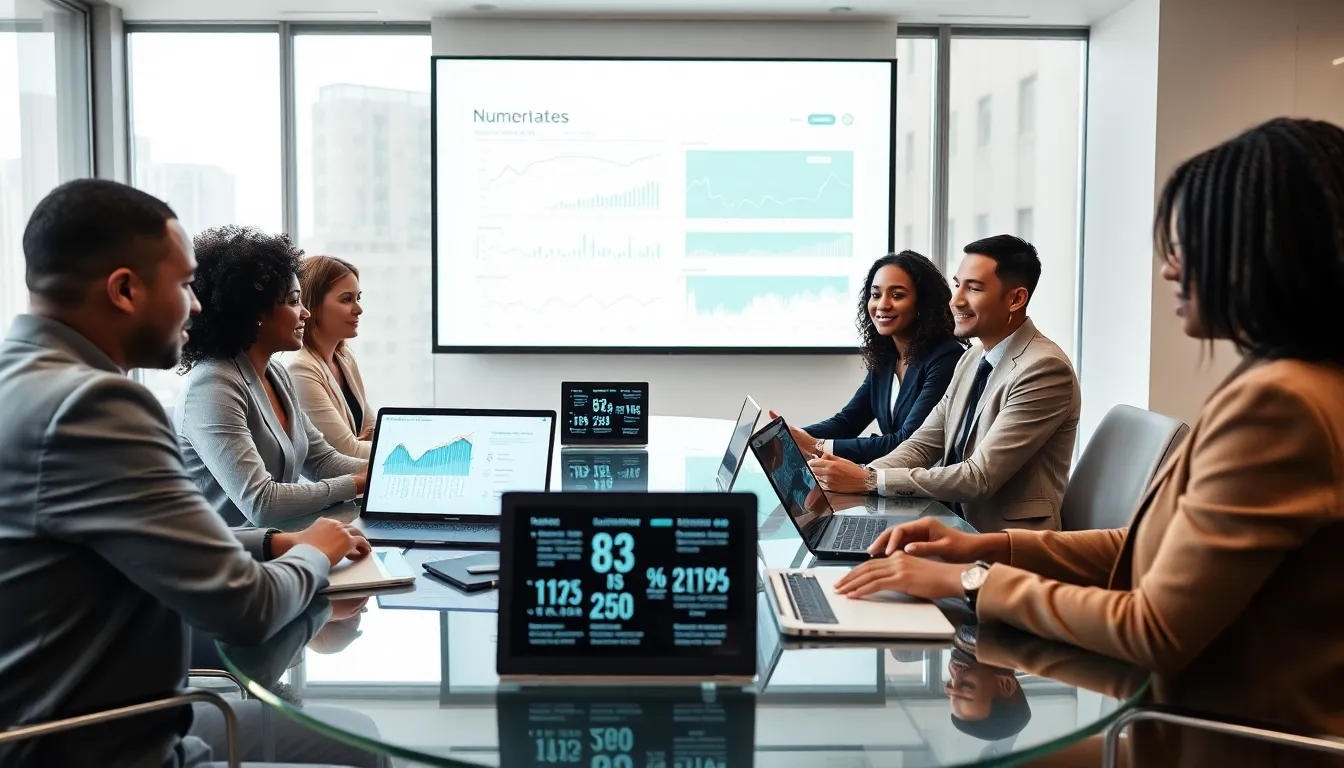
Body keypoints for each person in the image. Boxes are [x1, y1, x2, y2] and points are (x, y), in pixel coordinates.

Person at [833, 117, 1344, 767]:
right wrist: (984, 546)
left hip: (1215, 742)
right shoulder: (1293, 382)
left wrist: (967, 578)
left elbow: (1153, 627)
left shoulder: (1281, 403)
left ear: (1259, 252)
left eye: (1186, 245)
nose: (1168, 268)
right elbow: (1150, 555)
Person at [0, 178, 384, 767]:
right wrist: (317, 554)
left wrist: (283, 542)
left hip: (60, 718)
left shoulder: (20, 383)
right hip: (108, 742)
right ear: (125, 290)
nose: (198, 305)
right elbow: (246, 608)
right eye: (184, 285)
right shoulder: (96, 406)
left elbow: (125, 538)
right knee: (365, 750)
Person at [809, 235, 1080, 533]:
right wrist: (858, 476)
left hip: (1005, 540)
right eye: (957, 285)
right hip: (948, 522)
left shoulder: (1043, 369)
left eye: (973, 288)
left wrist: (868, 481)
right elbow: (922, 445)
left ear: (1015, 299)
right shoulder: (972, 358)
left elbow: (979, 478)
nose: (956, 300)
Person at [175, 226, 369, 529]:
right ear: (255, 312)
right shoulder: (213, 385)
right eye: (293, 301)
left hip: (287, 543)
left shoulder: (275, 374)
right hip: (235, 561)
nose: (305, 313)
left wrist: (391, 474)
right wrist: (356, 484)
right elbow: (261, 502)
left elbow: (323, 462)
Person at [775, 251, 965, 464]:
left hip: (927, 489)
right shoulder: (886, 357)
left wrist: (816, 446)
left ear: (922, 304)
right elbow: (848, 422)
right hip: (892, 484)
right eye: (876, 295)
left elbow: (906, 442)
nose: (882, 305)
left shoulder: (946, 358)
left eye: (897, 295)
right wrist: (788, 437)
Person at [289, 255, 373, 459]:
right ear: (313, 306)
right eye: (347, 299)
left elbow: (373, 428)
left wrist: (365, 442)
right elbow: (347, 452)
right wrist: (360, 443)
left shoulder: (344, 358)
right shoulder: (300, 369)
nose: (359, 309)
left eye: (358, 298)